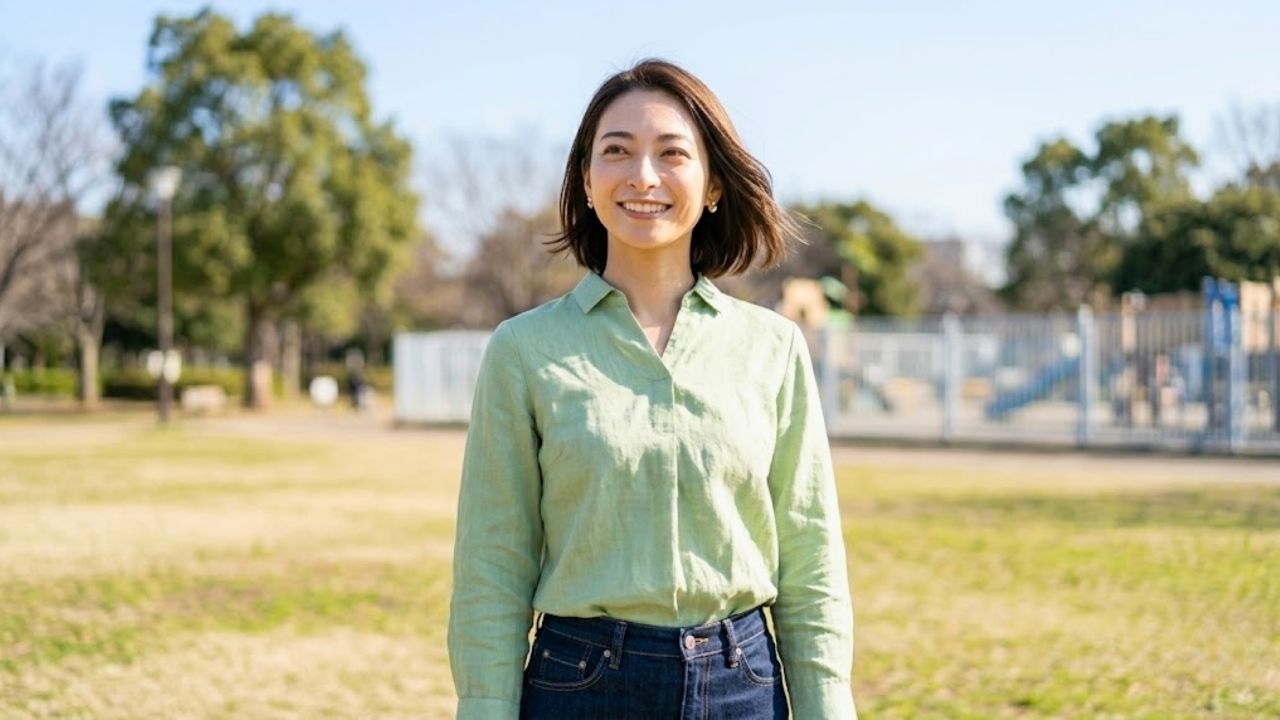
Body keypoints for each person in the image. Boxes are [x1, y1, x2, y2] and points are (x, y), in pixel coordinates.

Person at [448, 59, 855, 719]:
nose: (643, 177)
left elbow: (811, 560)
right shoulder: (522, 351)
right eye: (616, 152)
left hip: (744, 684)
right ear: (586, 180)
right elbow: (491, 566)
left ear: (714, 184)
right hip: (578, 684)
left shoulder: (773, 349)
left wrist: (828, 706)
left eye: (672, 154)